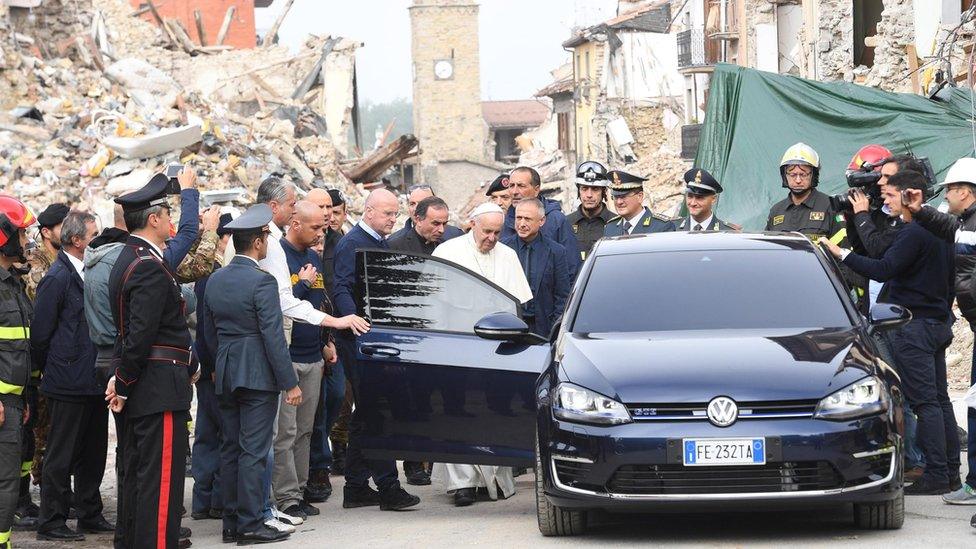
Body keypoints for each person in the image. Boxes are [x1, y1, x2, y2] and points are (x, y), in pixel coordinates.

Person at [820, 170, 960, 496]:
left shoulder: (914, 233)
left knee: (925, 403)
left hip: (913, 328)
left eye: (890, 195)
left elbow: (883, 267)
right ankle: (950, 471)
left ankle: (937, 474)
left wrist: (841, 254)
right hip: (937, 322)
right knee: (939, 400)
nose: (885, 201)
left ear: (911, 195)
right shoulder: (940, 230)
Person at [84, 169, 199, 549]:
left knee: (139, 475)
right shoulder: (148, 265)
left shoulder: (131, 258)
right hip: (157, 386)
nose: (171, 221)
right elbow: (140, 335)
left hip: (146, 384)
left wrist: (121, 380)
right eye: (168, 215)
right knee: (161, 482)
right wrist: (125, 381)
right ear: (154, 220)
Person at [201, 204, 299, 546]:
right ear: (258, 242)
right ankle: (251, 523)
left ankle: (231, 522)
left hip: (226, 370)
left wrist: (216, 366)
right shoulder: (262, 281)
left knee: (230, 448)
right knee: (255, 451)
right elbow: (273, 336)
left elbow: (208, 332)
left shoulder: (215, 278)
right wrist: (289, 382)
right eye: (266, 238)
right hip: (257, 372)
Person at [431, 202, 532, 506]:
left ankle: (495, 480)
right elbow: (435, 306)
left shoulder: (508, 255)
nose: (491, 238)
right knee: (456, 411)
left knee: (492, 411)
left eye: (497, 233)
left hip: (495, 347)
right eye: (486, 231)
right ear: (472, 224)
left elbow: (517, 305)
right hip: (457, 345)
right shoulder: (448, 253)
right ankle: (462, 484)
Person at [332, 188, 419, 511]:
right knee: (378, 411)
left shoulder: (377, 242)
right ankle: (388, 486)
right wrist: (351, 319)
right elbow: (340, 285)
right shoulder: (352, 244)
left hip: (375, 340)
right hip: (361, 342)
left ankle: (355, 486)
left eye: (395, 214)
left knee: (367, 414)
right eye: (387, 214)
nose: (393, 219)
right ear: (368, 212)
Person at [898, 157, 976, 504]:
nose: (946, 195)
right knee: (968, 404)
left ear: (964, 190)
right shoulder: (965, 223)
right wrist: (921, 210)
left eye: (949, 190)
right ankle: (971, 480)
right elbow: (947, 227)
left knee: (944, 402)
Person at [31, 211, 112, 541]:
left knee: (93, 453)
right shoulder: (58, 277)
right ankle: (52, 520)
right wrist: (57, 365)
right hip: (67, 381)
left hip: (93, 379)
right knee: (60, 455)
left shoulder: (89, 272)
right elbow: (40, 335)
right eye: (94, 235)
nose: (98, 239)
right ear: (77, 241)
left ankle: (90, 513)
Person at [274, 201, 330, 520]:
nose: (321, 233)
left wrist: (326, 342)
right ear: (296, 224)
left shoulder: (313, 256)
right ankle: (286, 497)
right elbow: (280, 303)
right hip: (289, 358)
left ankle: (301, 490)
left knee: (305, 431)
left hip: (313, 356)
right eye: (315, 228)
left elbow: (320, 305)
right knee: (285, 432)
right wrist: (302, 283)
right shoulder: (279, 256)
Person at [189, 213, 233, 522]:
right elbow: (208, 328)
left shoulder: (209, 273)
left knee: (206, 433)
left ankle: (203, 500)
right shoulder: (214, 274)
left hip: (205, 366)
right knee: (222, 433)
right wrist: (214, 364)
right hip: (213, 366)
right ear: (224, 239)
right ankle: (216, 499)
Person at [0, 196, 37, 549]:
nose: (26, 242)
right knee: (3, 483)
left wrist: (22, 396)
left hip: (12, 402)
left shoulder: (11, 282)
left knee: (7, 482)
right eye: (22, 234)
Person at [303, 189, 343, 498]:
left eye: (330, 207)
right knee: (313, 409)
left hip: (336, 332)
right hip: (309, 335)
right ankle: (318, 467)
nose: (327, 213)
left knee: (336, 398)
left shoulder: (339, 241)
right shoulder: (298, 247)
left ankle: (322, 451)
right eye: (320, 207)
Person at [501, 199, 572, 337]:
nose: (522, 224)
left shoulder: (556, 252)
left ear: (541, 221)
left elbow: (562, 296)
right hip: (510, 327)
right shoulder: (503, 249)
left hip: (543, 330)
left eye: (527, 219)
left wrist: (553, 331)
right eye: (519, 218)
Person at [502, 166, 580, 273]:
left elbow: (572, 267)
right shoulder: (503, 221)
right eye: (511, 186)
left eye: (521, 186)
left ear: (536, 190)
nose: (514, 191)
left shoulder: (556, 220)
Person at [765, 143, 846, 243]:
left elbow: (843, 251)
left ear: (813, 175)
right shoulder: (776, 211)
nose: (798, 180)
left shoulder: (831, 207)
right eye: (793, 174)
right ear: (785, 176)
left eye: (803, 174)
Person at [603, 170, 676, 236]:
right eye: (615, 197)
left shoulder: (661, 227)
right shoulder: (610, 228)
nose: (619, 202)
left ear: (640, 197)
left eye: (623, 196)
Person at [565, 161, 613, 261]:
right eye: (584, 188)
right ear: (579, 191)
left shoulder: (616, 223)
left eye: (595, 189)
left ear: (604, 192)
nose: (589, 195)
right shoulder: (566, 223)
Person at [390, 185, 462, 242]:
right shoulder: (394, 243)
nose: (416, 208)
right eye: (412, 204)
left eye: (422, 203)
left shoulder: (455, 236)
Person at [388, 197, 456, 255]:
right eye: (435, 223)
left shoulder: (446, 247)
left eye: (444, 224)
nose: (441, 230)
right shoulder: (396, 247)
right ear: (419, 220)